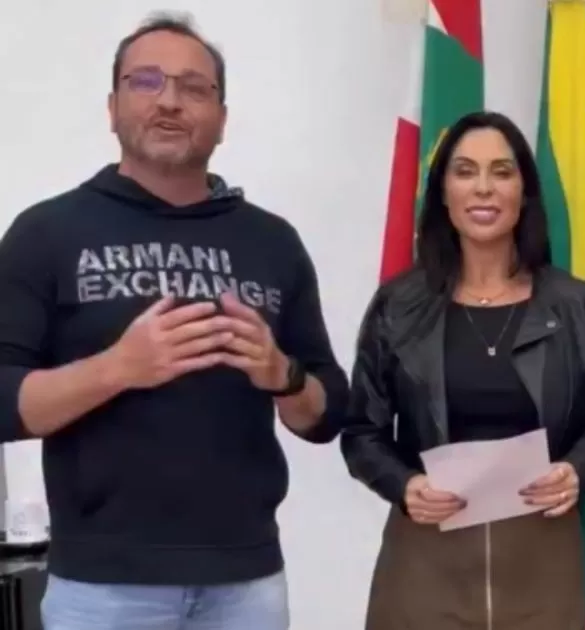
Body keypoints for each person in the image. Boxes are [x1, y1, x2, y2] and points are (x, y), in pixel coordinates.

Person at [0, 13, 348, 629]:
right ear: (112, 107)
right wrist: (118, 368)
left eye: (193, 88)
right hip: (103, 589)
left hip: (246, 585)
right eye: (146, 81)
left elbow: (327, 414)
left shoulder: (273, 242)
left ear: (221, 118)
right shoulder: (46, 233)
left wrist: (283, 375)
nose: (168, 101)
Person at [339, 110, 585, 630]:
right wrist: (404, 485)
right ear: (443, 194)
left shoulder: (572, 303)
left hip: (542, 559)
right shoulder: (398, 305)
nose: (484, 188)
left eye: (502, 172)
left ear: (524, 193)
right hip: (426, 558)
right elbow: (361, 432)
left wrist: (576, 470)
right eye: (465, 171)